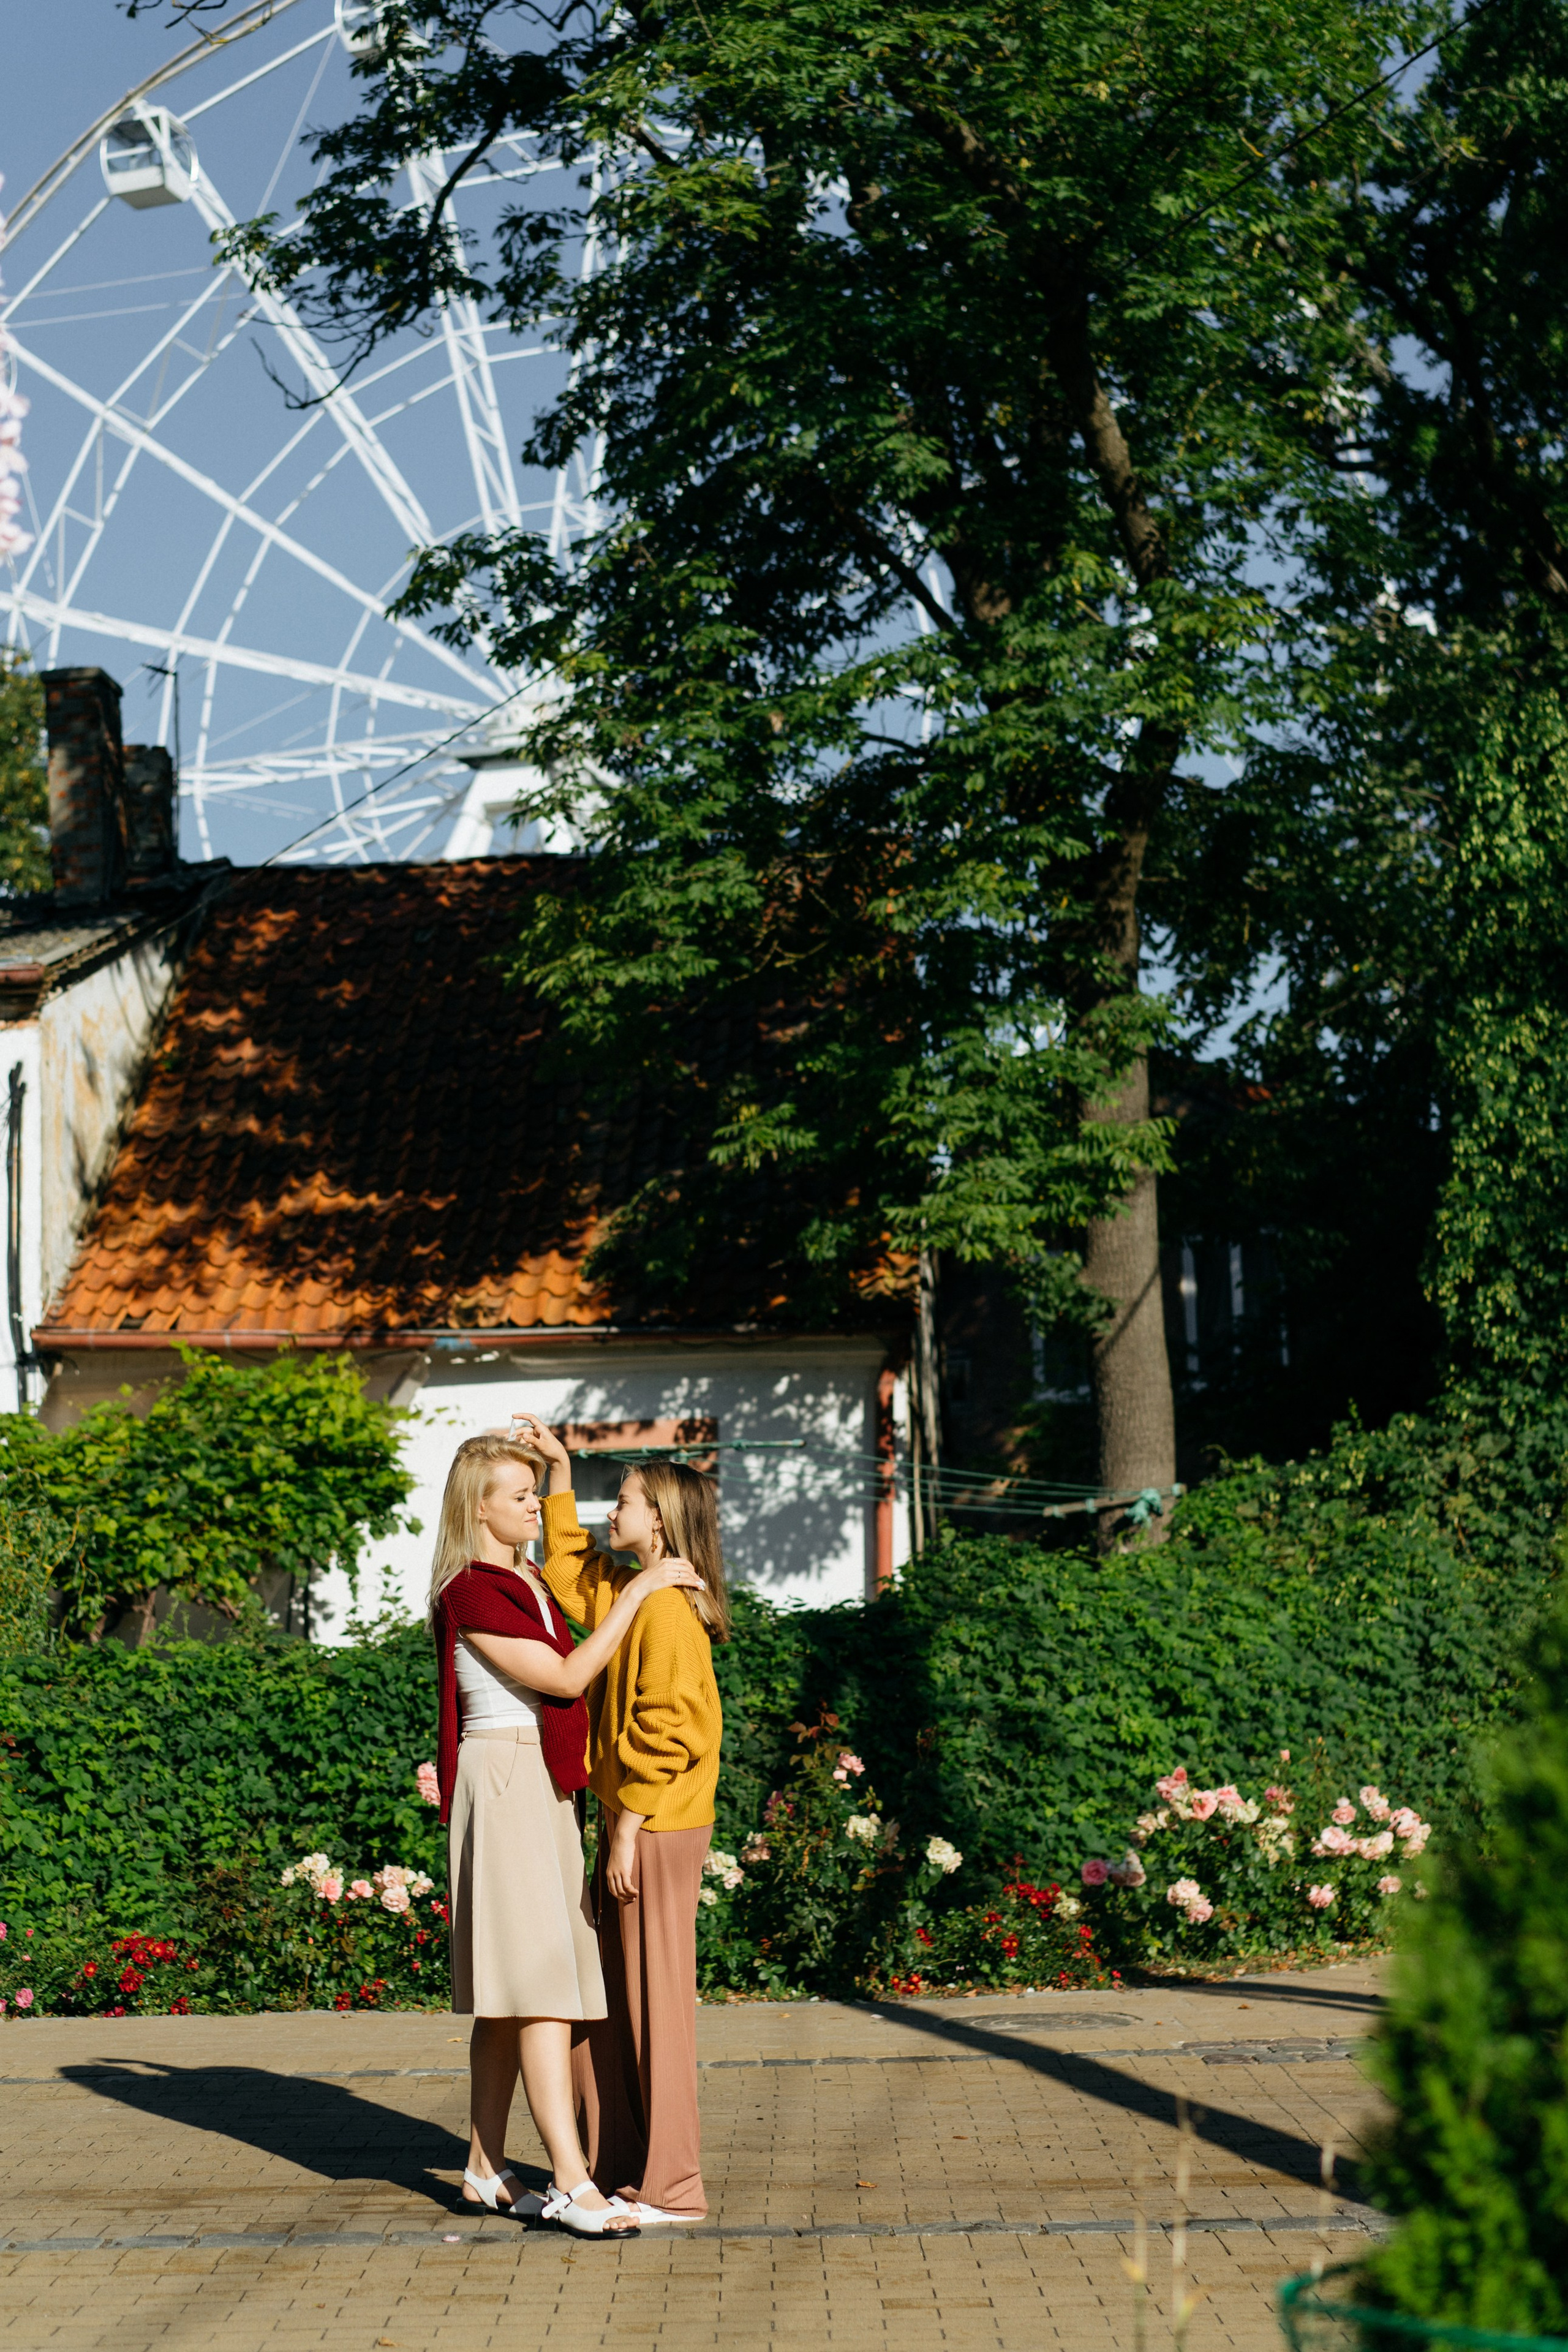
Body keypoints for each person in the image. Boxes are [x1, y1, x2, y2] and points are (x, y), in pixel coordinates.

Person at [430, 1431, 703, 2241]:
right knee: (544, 1988)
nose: (533, 1508)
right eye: (517, 1496)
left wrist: (557, 1472)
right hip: (510, 1781)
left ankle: (485, 2166)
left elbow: (572, 1566)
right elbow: (565, 1679)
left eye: (530, 1494)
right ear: (477, 1507)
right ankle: (573, 2183)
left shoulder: (523, 1577)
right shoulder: (472, 1588)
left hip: (532, 1785)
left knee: (514, 1996)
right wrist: (642, 1588)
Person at [511, 1415, 726, 2226]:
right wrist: (559, 1470)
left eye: (627, 1501)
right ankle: (629, 2168)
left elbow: (670, 1725)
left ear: (661, 1519)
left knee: (656, 2005)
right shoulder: (635, 1591)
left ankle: (674, 2187)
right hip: (640, 1817)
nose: (614, 1510)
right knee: (623, 2003)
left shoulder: (668, 1611)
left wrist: (628, 1828)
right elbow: (571, 1574)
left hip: (658, 1825)